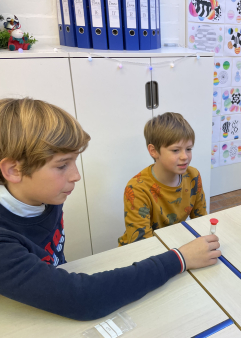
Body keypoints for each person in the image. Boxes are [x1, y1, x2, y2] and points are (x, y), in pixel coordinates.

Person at [0, 98, 221, 320]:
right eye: (61, 165)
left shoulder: (45, 198)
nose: (76, 175)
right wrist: (180, 259)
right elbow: (83, 299)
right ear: (13, 170)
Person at [118, 112, 207, 246]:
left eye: (188, 149)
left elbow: (201, 221)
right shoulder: (137, 188)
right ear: (153, 151)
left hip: (174, 244)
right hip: (142, 252)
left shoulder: (193, 176)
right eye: (176, 150)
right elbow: (142, 245)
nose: (185, 157)